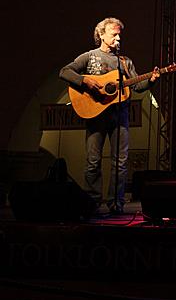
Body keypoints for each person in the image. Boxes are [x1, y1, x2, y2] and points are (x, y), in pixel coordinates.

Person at [60, 17, 160, 215]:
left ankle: (116, 203)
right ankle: (92, 202)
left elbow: (137, 86)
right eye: (114, 34)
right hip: (95, 115)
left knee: (120, 161)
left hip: (119, 115)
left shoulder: (125, 61)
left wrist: (151, 80)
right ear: (101, 35)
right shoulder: (90, 57)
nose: (118, 38)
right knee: (93, 161)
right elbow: (65, 71)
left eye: (119, 34)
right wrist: (85, 81)